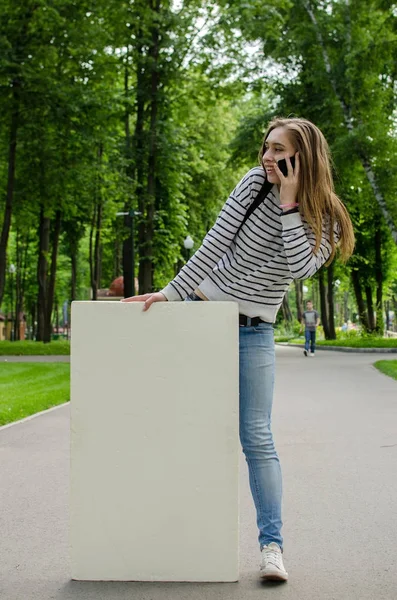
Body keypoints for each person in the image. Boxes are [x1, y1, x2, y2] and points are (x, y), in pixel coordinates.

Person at [122, 117, 355, 582]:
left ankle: (272, 547)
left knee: (258, 437)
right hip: (202, 318)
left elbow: (301, 268)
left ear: (302, 159)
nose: (267, 158)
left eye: (279, 151)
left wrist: (289, 204)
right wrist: (168, 294)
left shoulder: (326, 215)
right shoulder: (251, 184)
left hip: (254, 333)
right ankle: (181, 538)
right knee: (186, 428)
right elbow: (211, 247)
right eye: (266, 148)